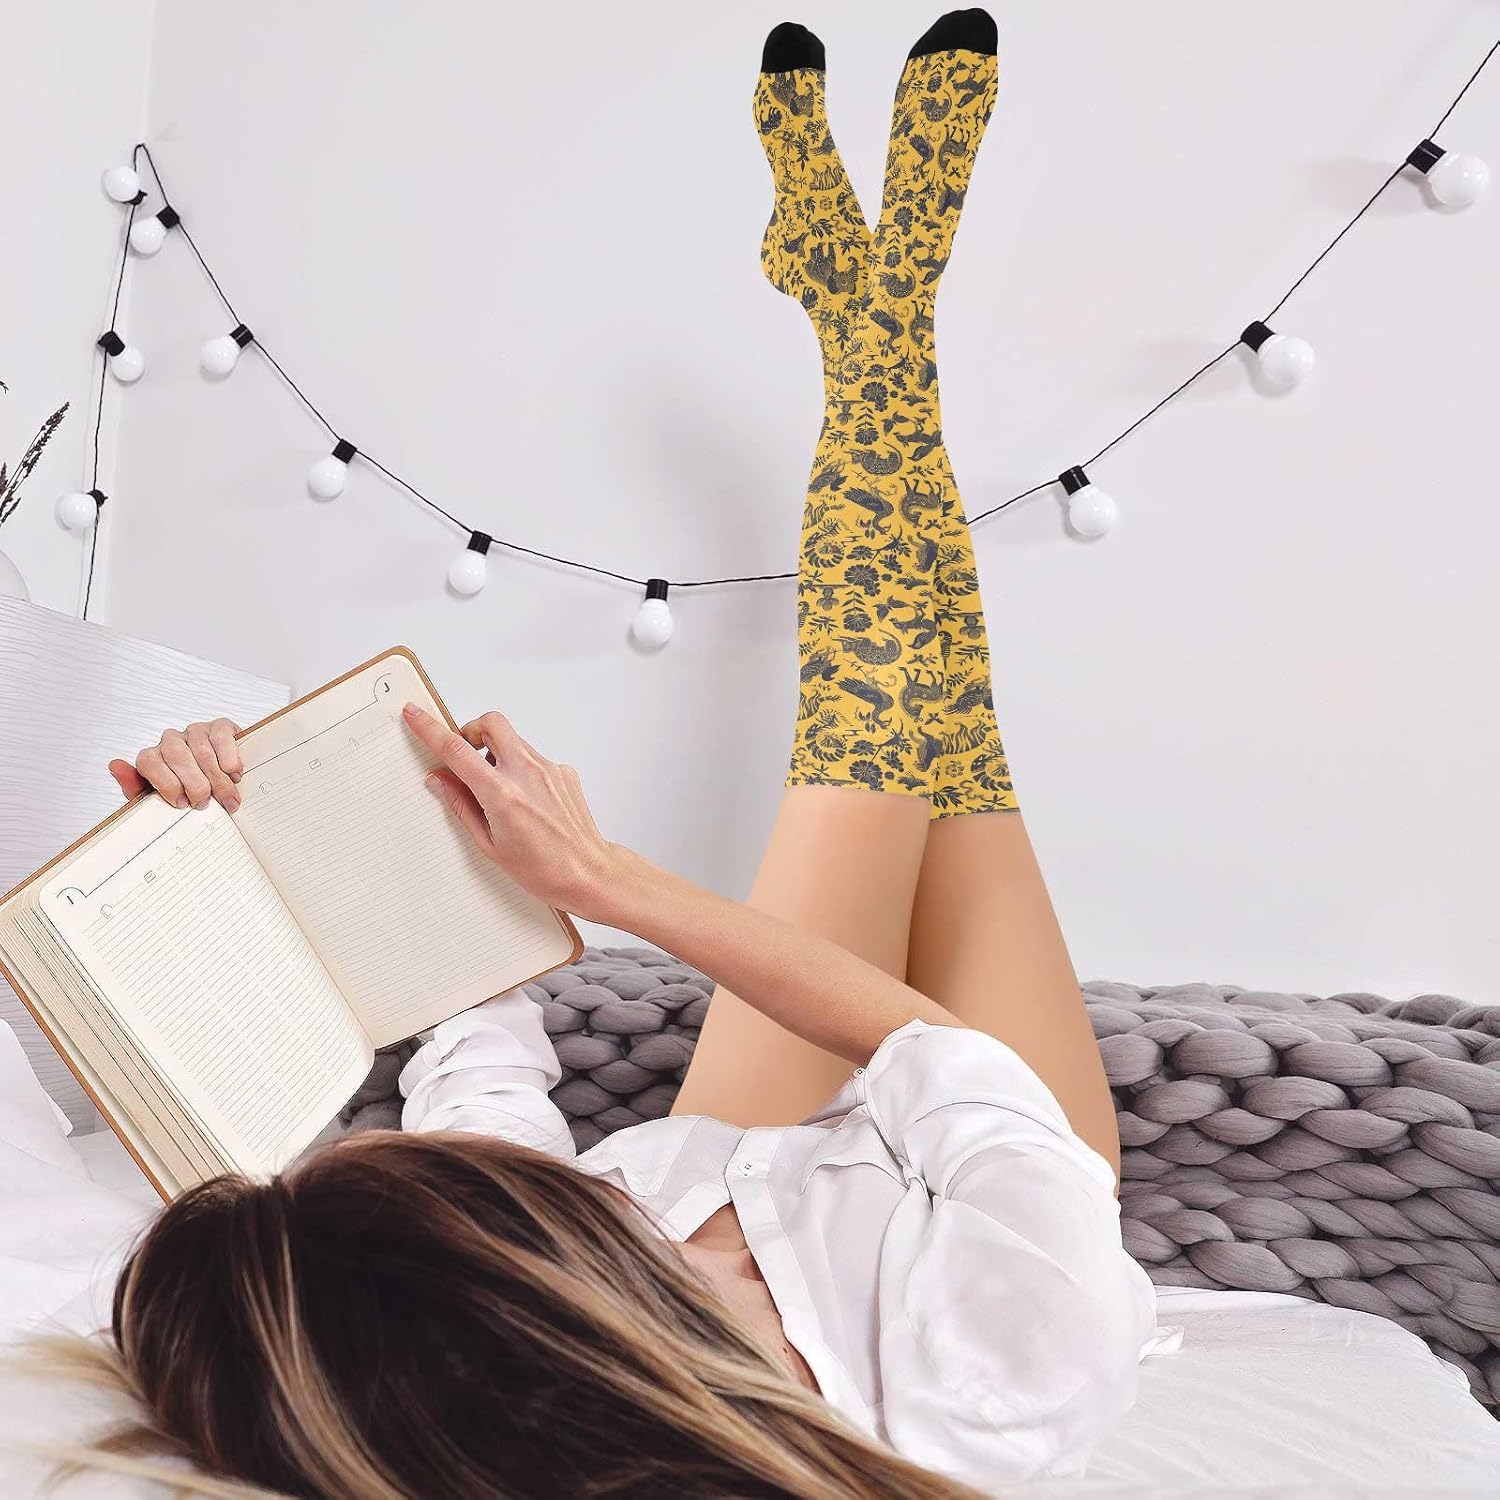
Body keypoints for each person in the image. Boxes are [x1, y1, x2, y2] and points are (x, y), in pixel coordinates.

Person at [69, 11, 1168, 1497]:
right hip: (1009, 1149)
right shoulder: (1007, 1357)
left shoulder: (541, 1258)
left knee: (915, 712)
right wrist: (604, 879)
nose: (396, 1146)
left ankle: (866, 304)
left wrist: (242, 830)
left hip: (777, 1131)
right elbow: (952, 1062)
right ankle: (870, 301)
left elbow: (475, 1033)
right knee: (909, 717)